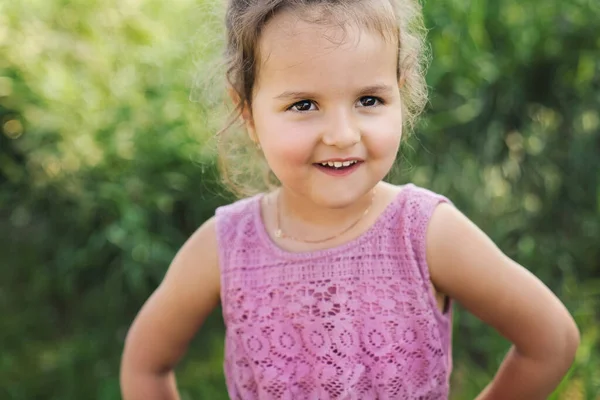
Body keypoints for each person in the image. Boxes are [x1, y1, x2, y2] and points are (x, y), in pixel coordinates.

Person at [119, 0, 580, 399]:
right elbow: (145, 365)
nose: (342, 135)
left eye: (369, 100)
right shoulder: (225, 247)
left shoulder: (423, 233)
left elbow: (551, 341)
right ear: (249, 114)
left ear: (399, 92)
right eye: (303, 105)